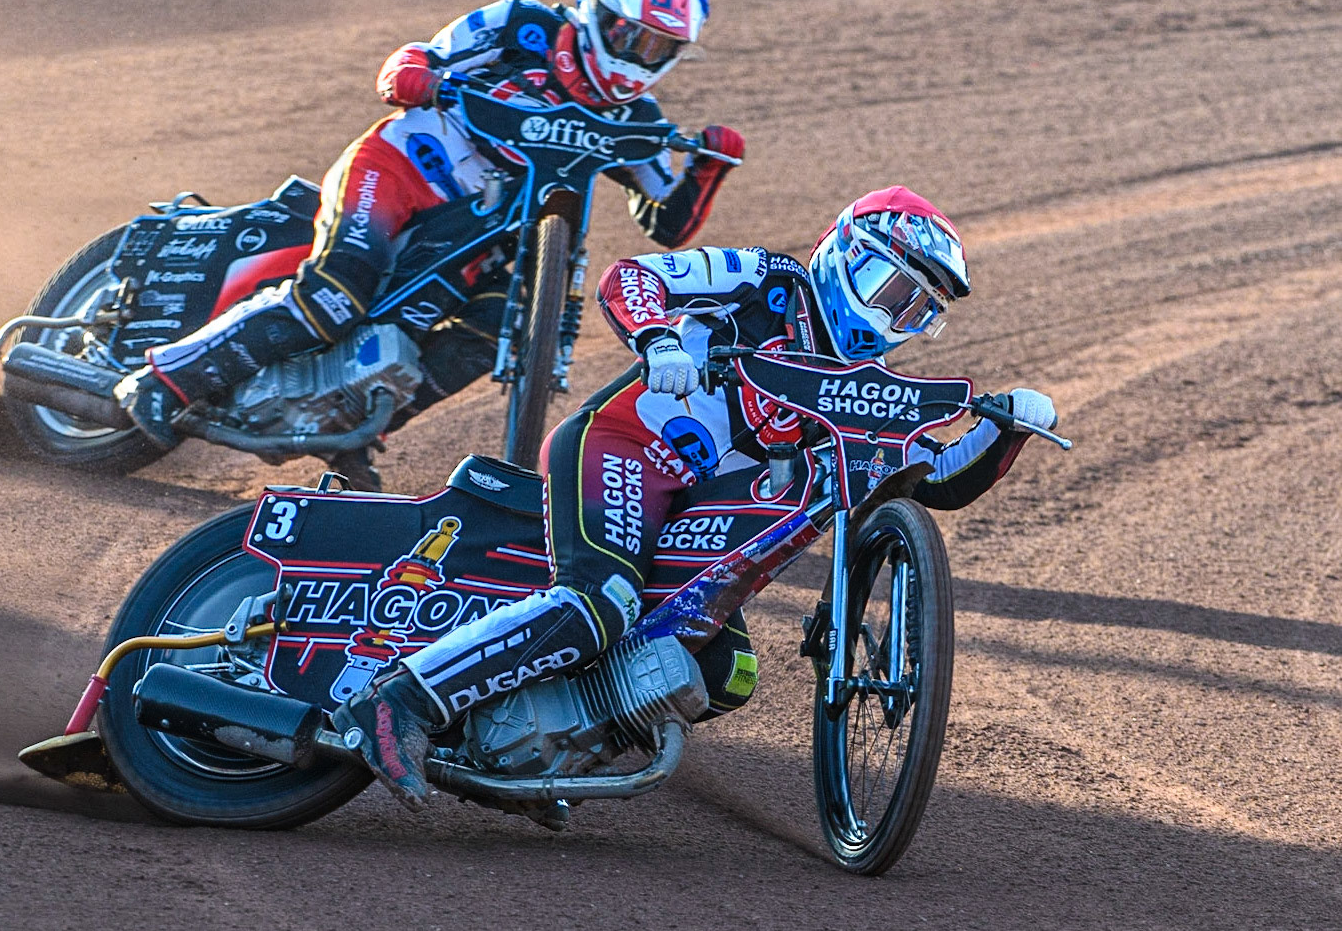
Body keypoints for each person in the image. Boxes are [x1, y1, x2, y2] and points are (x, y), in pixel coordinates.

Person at [333, 185, 1061, 810]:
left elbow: (923, 483)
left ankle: (541, 755)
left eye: (915, 313)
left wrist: (1004, 433)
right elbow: (633, 277)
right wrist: (660, 343)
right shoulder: (767, 279)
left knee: (721, 672)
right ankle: (398, 702)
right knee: (600, 601)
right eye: (892, 292)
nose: (893, 319)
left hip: (695, 514)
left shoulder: (862, 385)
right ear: (846, 253)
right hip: (624, 449)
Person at [113, 0, 747, 485]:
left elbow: (667, 222)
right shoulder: (522, 27)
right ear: (594, 7)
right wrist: (413, 74)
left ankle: (355, 430)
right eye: (626, 33)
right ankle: (167, 379)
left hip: (487, 241)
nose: (637, 56)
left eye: (657, 47)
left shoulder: (635, 121)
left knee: (490, 338)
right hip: (397, 171)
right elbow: (416, 60)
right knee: (337, 293)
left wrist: (709, 167)